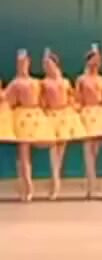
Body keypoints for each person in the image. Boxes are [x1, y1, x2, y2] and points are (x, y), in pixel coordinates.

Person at [4, 50, 55, 202]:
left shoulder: (36, 82)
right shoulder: (15, 83)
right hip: (23, 118)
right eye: (20, 63)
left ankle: (52, 184)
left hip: (37, 116)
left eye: (25, 62)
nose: (23, 65)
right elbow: (8, 100)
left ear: (29, 63)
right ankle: (28, 187)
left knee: (51, 145)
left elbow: (43, 99)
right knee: (24, 153)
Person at [41, 48, 87, 200]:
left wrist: (75, 106)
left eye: (49, 64)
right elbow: (42, 100)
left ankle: (55, 179)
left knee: (61, 151)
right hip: (52, 115)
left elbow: (72, 97)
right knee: (53, 149)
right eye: (45, 65)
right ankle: (56, 181)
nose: (47, 67)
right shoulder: (44, 83)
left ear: (56, 64)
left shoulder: (65, 81)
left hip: (65, 115)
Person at [75, 43, 102, 198]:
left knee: (95, 150)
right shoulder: (81, 79)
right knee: (88, 148)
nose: (96, 63)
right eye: (93, 60)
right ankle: (91, 183)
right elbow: (78, 97)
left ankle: (92, 179)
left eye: (98, 60)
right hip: (87, 113)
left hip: (99, 113)